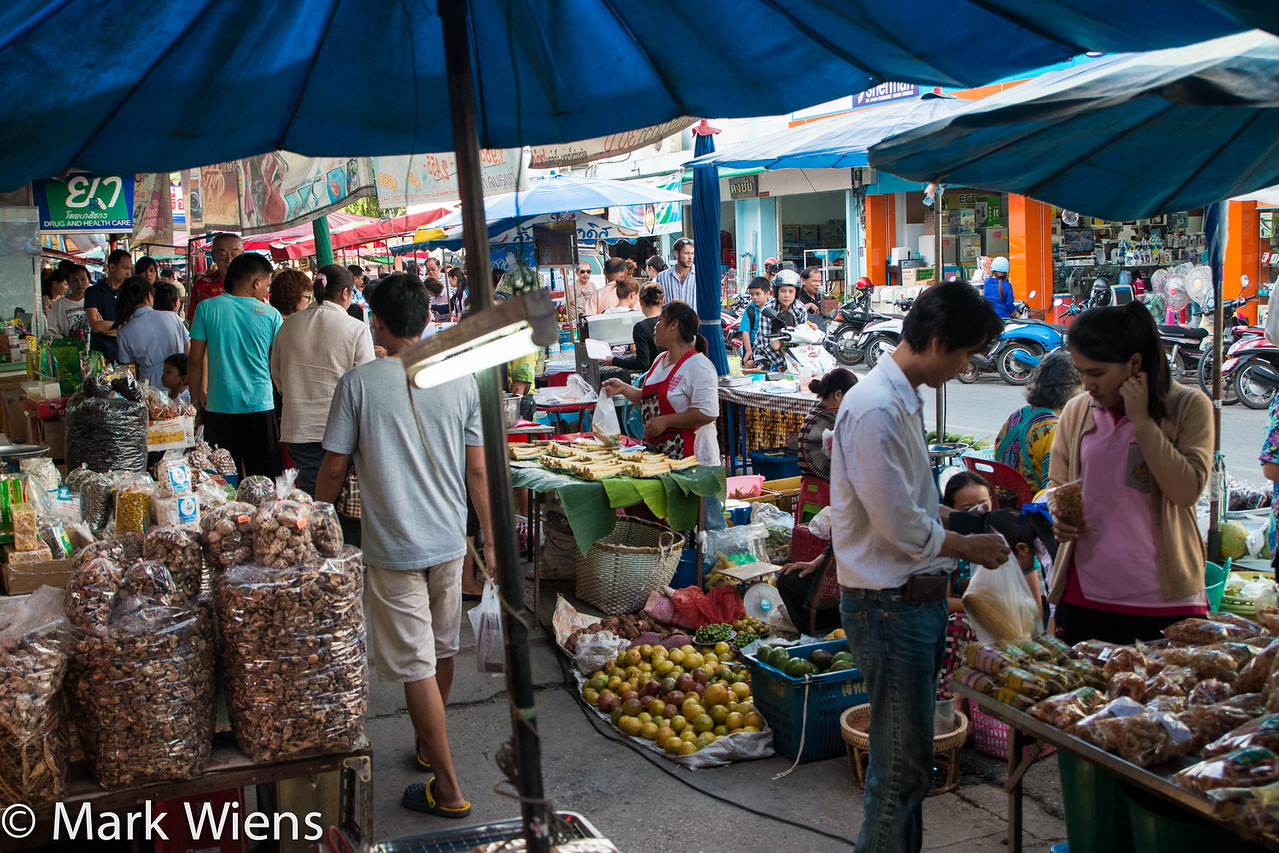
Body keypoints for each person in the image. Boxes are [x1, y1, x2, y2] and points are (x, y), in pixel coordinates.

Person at [830, 281, 1008, 852]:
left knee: (908, 768)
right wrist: (965, 545)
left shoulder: (900, 396)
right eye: (965, 353)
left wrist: (964, 522)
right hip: (889, 608)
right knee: (901, 771)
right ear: (936, 342)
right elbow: (898, 526)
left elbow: (909, 503)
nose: (967, 366)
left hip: (910, 604)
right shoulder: (875, 407)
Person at [315, 272, 492, 820]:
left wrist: (316, 520)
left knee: (417, 663)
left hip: (393, 548)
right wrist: (489, 539)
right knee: (439, 650)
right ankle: (426, 741)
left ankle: (449, 786)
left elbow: (334, 466)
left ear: (380, 322)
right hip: (448, 543)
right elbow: (479, 473)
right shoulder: (461, 378)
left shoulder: (360, 383)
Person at [1049, 303, 1212, 645]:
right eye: (1080, 372)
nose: (1086, 384)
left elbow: (1186, 492)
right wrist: (1058, 513)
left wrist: (1142, 422)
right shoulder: (1077, 411)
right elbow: (1057, 484)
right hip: (1084, 596)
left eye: (1096, 373)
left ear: (1135, 363)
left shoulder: (1188, 407)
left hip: (1164, 602)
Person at [272, 264, 375, 496]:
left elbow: (277, 375)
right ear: (345, 293)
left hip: (299, 428)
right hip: (341, 430)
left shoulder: (289, 325)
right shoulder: (356, 328)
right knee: (342, 497)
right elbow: (364, 382)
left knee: (310, 491)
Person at [188, 252, 285, 478]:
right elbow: (279, 362)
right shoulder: (271, 315)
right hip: (260, 404)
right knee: (264, 480)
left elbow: (194, 361)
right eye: (266, 285)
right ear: (256, 282)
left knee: (222, 479)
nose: (266, 292)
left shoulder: (206, 309)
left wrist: (196, 402)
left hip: (219, 406)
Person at [601, 301, 719, 465]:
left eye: (659, 320)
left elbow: (708, 413)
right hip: (660, 457)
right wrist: (623, 388)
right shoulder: (659, 360)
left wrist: (666, 421)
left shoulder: (699, 366)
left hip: (694, 460)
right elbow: (649, 402)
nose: (655, 326)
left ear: (673, 325)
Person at [994, 350, 1082, 492]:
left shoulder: (1017, 416)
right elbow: (1052, 488)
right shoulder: (1053, 430)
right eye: (1080, 387)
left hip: (1001, 498)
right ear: (1071, 390)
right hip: (1029, 507)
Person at [113, 276, 191, 388]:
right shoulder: (172, 317)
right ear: (150, 296)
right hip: (179, 382)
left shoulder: (124, 331)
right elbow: (188, 349)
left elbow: (130, 370)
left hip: (149, 386)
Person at [798, 368, 856, 480]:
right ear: (838, 394)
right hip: (826, 485)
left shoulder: (815, 414)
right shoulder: (828, 421)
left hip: (809, 481)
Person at [603, 283, 664, 373]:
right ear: (662, 301)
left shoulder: (641, 327)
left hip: (655, 379)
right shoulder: (671, 322)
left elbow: (643, 362)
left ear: (641, 302)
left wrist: (614, 361)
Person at [84, 248, 132, 362]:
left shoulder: (128, 292)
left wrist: (105, 326)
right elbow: (95, 326)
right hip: (100, 357)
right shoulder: (93, 292)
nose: (129, 273)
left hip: (124, 356)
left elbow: (132, 326)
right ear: (112, 267)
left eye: (130, 269)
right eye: (125, 268)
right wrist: (123, 326)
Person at [187, 233, 244, 323]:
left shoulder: (253, 284)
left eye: (234, 254)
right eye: (222, 254)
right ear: (214, 256)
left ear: (242, 255)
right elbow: (194, 322)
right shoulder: (202, 286)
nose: (229, 260)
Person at [48, 264, 90, 339]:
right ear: (69, 283)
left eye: (83, 279)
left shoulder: (95, 300)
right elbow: (51, 329)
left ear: (88, 281)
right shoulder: (60, 304)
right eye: (75, 280)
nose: (79, 283)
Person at [737, 277, 771, 369]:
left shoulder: (773, 308)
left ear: (767, 294)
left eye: (758, 294)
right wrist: (748, 350)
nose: (754, 297)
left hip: (769, 345)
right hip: (752, 345)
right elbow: (745, 331)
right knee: (750, 364)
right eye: (752, 294)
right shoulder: (750, 310)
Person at [656, 238, 696, 309]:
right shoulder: (662, 277)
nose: (690, 257)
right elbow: (658, 302)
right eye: (686, 253)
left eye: (692, 253)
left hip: (693, 319)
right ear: (676, 253)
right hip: (671, 319)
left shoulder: (700, 276)